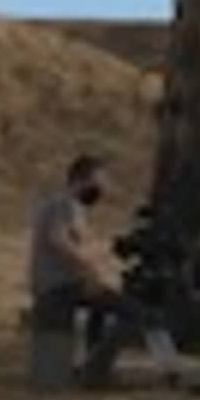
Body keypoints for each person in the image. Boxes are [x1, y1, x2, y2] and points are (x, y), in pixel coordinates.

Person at [26, 151, 123, 384]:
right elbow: (58, 240)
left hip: (62, 282)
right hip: (59, 285)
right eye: (98, 181)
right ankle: (96, 370)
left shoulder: (71, 207)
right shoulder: (65, 204)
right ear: (82, 179)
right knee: (133, 314)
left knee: (101, 309)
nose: (102, 187)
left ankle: (92, 365)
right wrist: (90, 269)